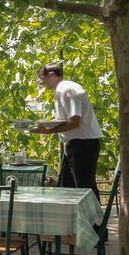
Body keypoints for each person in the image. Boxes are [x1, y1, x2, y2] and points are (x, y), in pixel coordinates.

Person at [33, 63, 103, 200]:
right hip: (74, 144)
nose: (43, 83)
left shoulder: (68, 90)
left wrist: (47, 131)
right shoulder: (62, 90)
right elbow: (66, 119)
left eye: (43, 79)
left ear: (52, 75)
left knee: (84, 188)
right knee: (67, 187)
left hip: (83, 145)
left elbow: (75, 121)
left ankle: (96, 221)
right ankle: (74, 220)